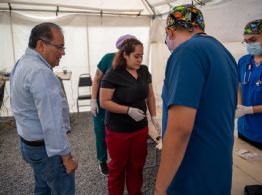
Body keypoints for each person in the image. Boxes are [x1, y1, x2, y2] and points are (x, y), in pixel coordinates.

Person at [154, 4, 238, 195]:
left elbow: (180, 129)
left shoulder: (186, 53)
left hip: (192, 174)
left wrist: (160, 187)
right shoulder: (224, 54)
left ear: (171, 31)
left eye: (166, 37)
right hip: (218, 170)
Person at [10, 22, 77, 195]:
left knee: (43, 186)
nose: (63, 52)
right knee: (63, 190)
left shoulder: (21, 63)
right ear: (41, 45)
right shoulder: (40, 72)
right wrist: (66, 157)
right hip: (47, 150)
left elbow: (17, 107)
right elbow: (52, 124)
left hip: (29, 144)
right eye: (60, 47)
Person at [99, 38, 161, 195]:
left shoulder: (144, 71)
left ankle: (135, 192)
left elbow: (151, 96)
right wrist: (127, 110)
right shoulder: (113, 74)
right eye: (136, 56)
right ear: (125, 55)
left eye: (142, 56)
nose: (140, 60)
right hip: (118, 130)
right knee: (118, 168)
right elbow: (104, 102)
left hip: (140, 129)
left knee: (137, 165)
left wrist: (153, 116)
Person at [90, 34, 137, 176]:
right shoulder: (108, 58)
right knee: (101, 132)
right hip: (102, 102)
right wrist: (93, 100)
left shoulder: (132, 60)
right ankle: (102, 161)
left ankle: (118, 159)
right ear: (121, 46)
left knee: (117, 132)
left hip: (119, 103)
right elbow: (97, 78)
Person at [235, 19, 262, 149]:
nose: (250, 45)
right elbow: (239, 85)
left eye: (253, 40)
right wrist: (240, 105)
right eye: (246, 42)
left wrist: (250, 110)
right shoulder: (244, 61)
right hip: (244, 129)